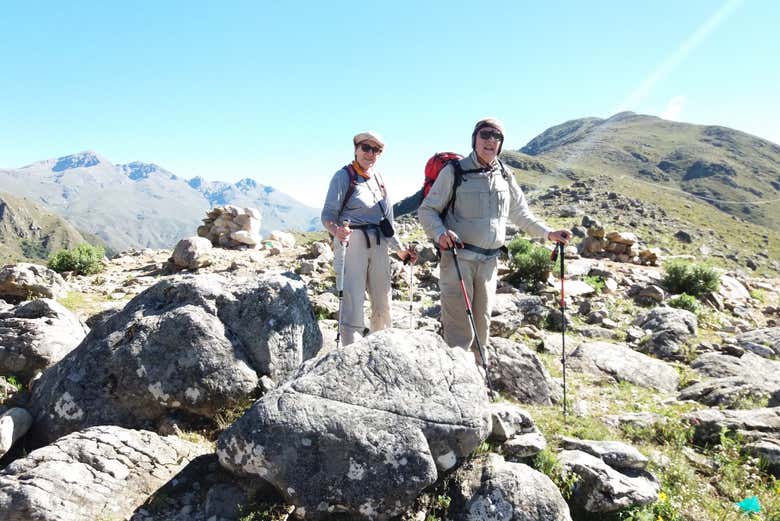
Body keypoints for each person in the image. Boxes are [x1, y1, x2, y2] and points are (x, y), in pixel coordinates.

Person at [418, 117, 570, 364]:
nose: (490, 140)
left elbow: (521, 214)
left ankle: (480, 374)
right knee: (459, 327)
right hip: (459, 259)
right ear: (475, 139)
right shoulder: (454, 171)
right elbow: (427, 210)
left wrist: (548, 233)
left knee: (482, 322)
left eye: (496, 136)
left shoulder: (505, 175)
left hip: (489, 263)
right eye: (485, 135)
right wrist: (440, 233)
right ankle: (455, 382)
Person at [322, 131, 417, 346]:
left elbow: (388, 222)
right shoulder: (343, 176)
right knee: (353, 300)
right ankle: (351, 351)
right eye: (366, 148)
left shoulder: (380, 179)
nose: (370, 153)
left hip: (379, 243)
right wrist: (337, 230)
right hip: (351, 241)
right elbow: (327, 214)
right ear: (356, 149)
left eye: (376, 150)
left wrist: (400, 250)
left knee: (383, 299)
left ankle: (381, 346)